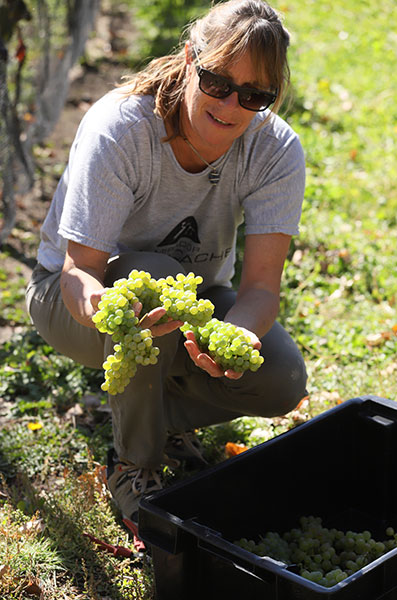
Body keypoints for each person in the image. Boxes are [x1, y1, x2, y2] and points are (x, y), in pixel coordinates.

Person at [26, 0, 308, 531]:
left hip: (191, 306)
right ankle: (135, 464)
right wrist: (104, 307)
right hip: (71, 304)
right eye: (218, 81)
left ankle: (150, 414)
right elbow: (76, 271)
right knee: (149, 280)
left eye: (255, 95)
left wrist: (235, 336)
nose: (231, 105)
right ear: (188, 58)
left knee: (280, 378)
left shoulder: (275, 151)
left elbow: (262, 289)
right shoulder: (122, 128)